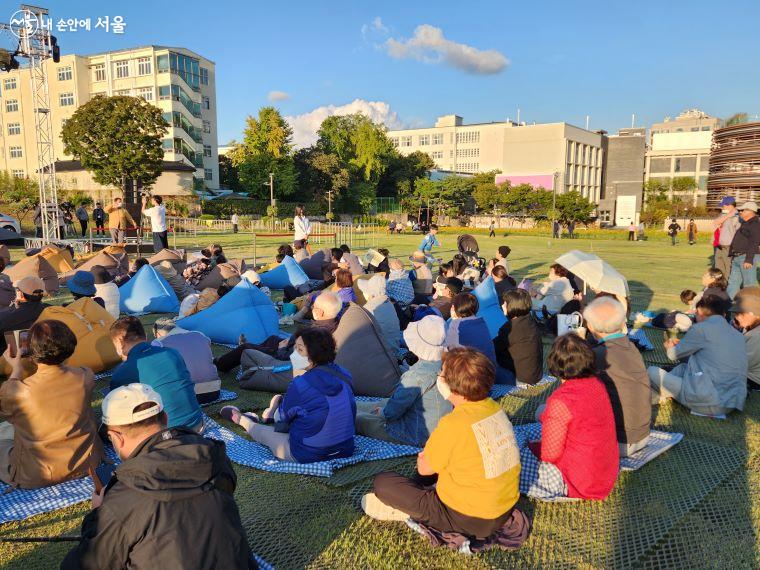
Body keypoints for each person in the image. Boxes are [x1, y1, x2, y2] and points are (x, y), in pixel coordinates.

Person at [62, 384, 254, 569]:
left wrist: (97, 514)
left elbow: (85, 563)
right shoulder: (214, 456)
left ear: (116, 437)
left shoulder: (122, 497)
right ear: (165, 418)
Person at [363, 348, 529, 546]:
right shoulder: (496, 410)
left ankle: (406, 510)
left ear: (453, 386)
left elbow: (425, 469)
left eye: (442, 373)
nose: (439, 378)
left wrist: (425, 459)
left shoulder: (453, 423)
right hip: (503, 509)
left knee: (384, 482)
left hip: (466, 518)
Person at [221, 328, 356, 463]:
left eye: (300, 350)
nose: (294, 354)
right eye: (295, 348)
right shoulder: (344, 374)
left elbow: (283, 420)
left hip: (307, 454)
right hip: (346, 450)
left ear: (315, 354)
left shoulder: (301, 384)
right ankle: (273, 410)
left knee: (262, 431)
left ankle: (242, 420)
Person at [0, 320, 103, 488]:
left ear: (31, 350)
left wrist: (16, 369)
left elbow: (8, 407)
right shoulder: (86, 375)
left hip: (37, 473)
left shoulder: (18, 391)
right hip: (88, 462)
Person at [520, 334, 618, 500]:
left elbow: (550, 455)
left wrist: (533, 447)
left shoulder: (561, 401)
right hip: (605, 473)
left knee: (512, 458)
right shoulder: (596, 383)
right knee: (526, 431)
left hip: (576, 481)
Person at [354, 315, 451, 446]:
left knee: (358, 420)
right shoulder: (448, 364)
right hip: (435, 425)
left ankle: (349, 412)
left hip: (417, 433)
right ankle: (354, 407)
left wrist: (382, 413)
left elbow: (394, 410)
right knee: (374, 404)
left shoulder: (417, 375)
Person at [648, 295, 747, 417]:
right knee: (682, 368)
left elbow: (673, 355)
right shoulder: (738, 335)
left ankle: (661, 394)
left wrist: (669, 346)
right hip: (731, 402)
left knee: (651, 372)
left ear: (699, 312)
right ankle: (663, 393)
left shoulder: (701, 328)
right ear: (724, 315)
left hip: (707, 402)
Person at [584, 297, 652, 457]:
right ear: (622, 324)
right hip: (642, 434)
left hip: (617, 440)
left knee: (545, 411)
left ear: (590, 326)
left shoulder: (598, 355)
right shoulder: (631, 347)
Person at [109, 317, 203, 431]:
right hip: (197, 424)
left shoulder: (123, 371)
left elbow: (120, 412)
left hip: (165, 436)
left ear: (119, 342)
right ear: (146, 336)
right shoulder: (172, 352)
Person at [236, 292, 343, 391]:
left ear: (320, 312)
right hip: (291, 347)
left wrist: (281, 349)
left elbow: (294, 359)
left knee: (245, 349)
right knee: (273, 339)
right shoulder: (332, 324)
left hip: (284, 356)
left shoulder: (317, 335)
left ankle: (220, 364)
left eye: (314, 307)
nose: (311, 308)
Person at [152, 320, 221, 404]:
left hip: (184, 396)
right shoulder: (200, 335)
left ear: (157, 333)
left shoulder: (159, 343)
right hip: (214, 392)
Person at [494, 289, 543, 386]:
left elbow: (493, 348)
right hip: (535, 373)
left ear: (512, 306)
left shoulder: (510, 328)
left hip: (520, 377)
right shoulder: (531, 321)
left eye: (505, 303)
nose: (502, 305)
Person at [0, 276, 49, 354]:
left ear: (20, 294)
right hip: (45, 356)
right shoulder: (51, 310)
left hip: (11, 361)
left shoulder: (3, 316)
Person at [446, 293, 497, 366]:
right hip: (490, 367)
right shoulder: (481, 322)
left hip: (472, 370)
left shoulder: (456, 324)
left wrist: (454, 319)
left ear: (455, 308)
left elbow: (449, 349)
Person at [357, 274, 400, 357]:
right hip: (395, 345)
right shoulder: (388, 302)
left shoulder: (368, 308)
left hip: (384, 351)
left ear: (371, 294)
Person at [727, 201, 760, 298]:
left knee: (749, 285)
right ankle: (729, 309)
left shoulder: (755, 224)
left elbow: (754, 242)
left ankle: (751, 309)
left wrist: (749, 259)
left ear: (750, 211)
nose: (740, 212)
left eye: (742, 210)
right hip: (737, 257)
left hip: (746, 258)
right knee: (733, 284)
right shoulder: (746, 223)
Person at [732, 287, 760, 391]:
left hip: (751, 379)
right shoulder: (752, 327)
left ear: (754, 313)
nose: (736, 317)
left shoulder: (757, 335)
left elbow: (739, 364)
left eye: (739, 313)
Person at [713, 196, 740, 279]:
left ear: (729, 205)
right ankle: (719, 286)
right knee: (719, 269)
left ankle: (728, 288)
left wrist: (731, 215)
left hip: (729, 247)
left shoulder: (737, 216)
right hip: (719, 246)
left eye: (723, 205)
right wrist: (728, 215)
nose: (722, 207)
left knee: (728, 269)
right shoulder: (725, 214)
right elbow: (715, 222)